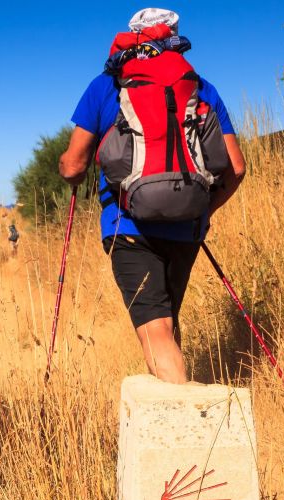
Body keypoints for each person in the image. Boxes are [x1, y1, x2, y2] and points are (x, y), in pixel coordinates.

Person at [59, 8, 246, 384]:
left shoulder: (106, 85)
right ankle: (176, 414)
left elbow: (74, 166)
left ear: (134, 36)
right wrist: (202, 210)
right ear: (174, 36)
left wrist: (69, 169)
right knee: (168, 320)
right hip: (187, 226)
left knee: (155, 328)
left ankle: (181, 426)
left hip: (127, 225)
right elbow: (236, 168)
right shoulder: (199, 86)